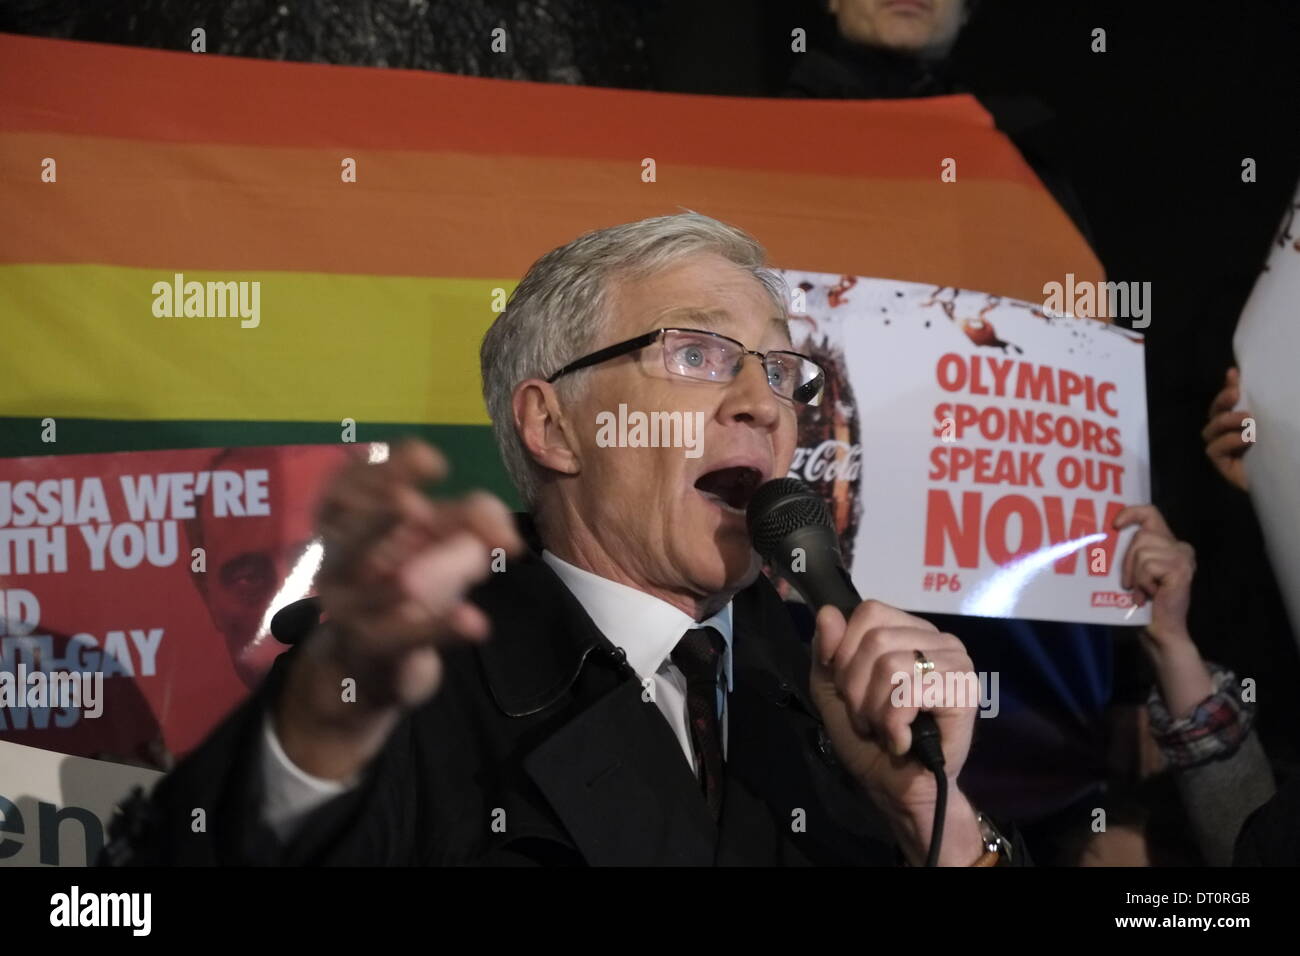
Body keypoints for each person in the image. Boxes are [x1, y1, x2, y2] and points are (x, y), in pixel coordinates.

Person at [109, 212, 1023, 866]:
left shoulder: (842, 699)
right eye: (698, 355)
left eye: (782, 369)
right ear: (553, 428)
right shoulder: (403, 688)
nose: (762, 404)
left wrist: (930, 826)